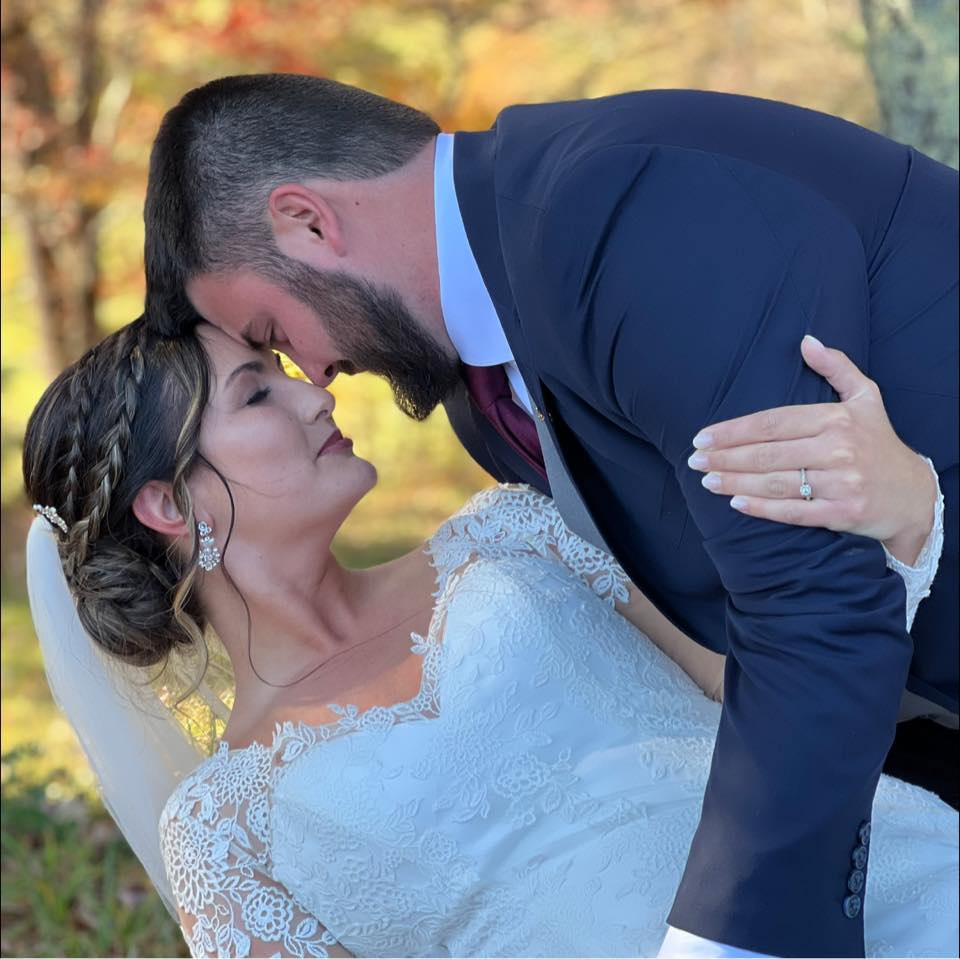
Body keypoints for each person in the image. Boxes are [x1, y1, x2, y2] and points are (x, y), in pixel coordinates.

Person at [142, 77, 958, 956]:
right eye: (265, 366)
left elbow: (809, 604)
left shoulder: (617, 211)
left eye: (275, 331)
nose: (316, 376)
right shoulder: (485, 399)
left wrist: (720, 944)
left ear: (309, 221)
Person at [23, 318, 957, 958]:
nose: (319, 398)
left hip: (881, 889)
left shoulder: (511, 532)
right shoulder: (223, 830)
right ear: (168, 501)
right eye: (258, 393)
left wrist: (904, 528)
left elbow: (754, 683)